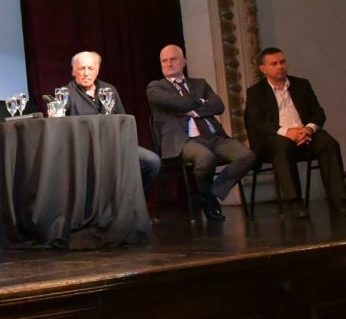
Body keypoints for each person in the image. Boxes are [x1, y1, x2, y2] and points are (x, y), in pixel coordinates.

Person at [147, 44, 255, 221]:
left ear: (184, 61)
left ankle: (209, 193)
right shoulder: (155, 88)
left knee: (247, 156)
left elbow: (218, 106)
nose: (168, 64)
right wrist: (200, 102)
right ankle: (208, 198)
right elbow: (176, 102)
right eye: (164, 61)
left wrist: (193, 111)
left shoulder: (200, 84)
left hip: (214, 137)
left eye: (173, 59)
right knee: (206, 158)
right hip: (184, 141)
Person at [244, 47, 346, 219]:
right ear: (263, 69)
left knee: (327, 142)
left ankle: (339, 200)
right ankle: (294, 202)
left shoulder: (301, 85)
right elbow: (256, 123)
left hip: (304, 134)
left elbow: (318, 113)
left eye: (282, 62)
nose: (280, 66)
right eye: (274, 64)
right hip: (276, 139)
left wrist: (308, 129)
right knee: (281, 146)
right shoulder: (256, 92)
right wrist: (286, 132)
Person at [65, 51, 161, 190]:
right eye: (82, 68)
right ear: (74, 70)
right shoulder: (66, 94)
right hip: (87, 150)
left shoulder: (108, 89)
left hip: (114, 144)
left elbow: (122, 120)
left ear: (97, 70)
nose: (86, 73)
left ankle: (129, 197)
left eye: (90, 68)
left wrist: (124, 143)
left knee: (152, 161)